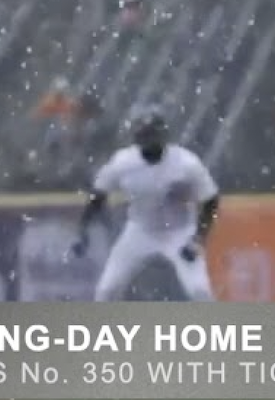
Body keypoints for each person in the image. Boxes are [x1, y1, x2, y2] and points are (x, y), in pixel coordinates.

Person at [73, 105, 221, 302]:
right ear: (137, 136)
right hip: (140, 230)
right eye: (145, 134)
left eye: (153, 134)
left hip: (179, 231)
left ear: (164, 135)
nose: (150, 140)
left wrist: (196, 239)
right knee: (106, 290)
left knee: (200, 292)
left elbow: (210, 199)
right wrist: (83, 228)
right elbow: (98, 194)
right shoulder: (123, 162)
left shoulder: (186, 163)